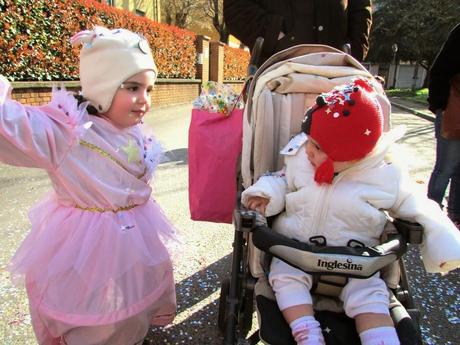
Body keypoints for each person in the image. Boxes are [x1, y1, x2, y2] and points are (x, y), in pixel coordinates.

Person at [242, 78, 460, 345]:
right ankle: (307, 333)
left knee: (371, 297)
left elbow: (417, 204)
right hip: (295, 252)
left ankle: (380, 339)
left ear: (354, 156)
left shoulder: (384, 176)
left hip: (358, 261)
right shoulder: (300, 161)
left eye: (318, 147)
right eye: (309, 140)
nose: (308, 149)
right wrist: (265, 195)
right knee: (285, 279)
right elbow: (281, 180)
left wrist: (443, 240)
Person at [0, 26, 179, 345]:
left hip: (134, 240)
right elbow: (16, 127)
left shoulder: (137, 132)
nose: (145, 101)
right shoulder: (69, 133)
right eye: (133, 87)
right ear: (102, 87)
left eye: (149, 89)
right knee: (91, 315)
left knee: (129, 307)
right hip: (83, 247)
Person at [223, 0, 372, 65]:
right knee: (275, 128)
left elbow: (361, 9)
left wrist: (353, 52)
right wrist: (276, 35)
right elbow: (236, 8)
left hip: (337, 67)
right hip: (277, 70)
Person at [427, 23, 460, 228]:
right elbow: (439, 71)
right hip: (452, 109)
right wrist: (439, 105)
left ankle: (455, 217)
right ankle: (429, 215)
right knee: (445, 168)